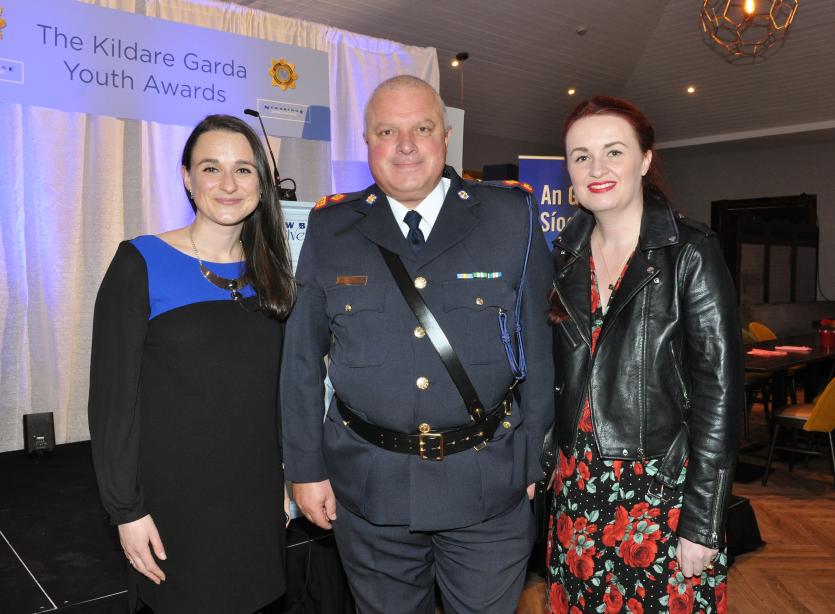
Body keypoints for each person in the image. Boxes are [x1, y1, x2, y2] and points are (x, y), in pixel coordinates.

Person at [281, 75, 554, 613]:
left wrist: (533, 460)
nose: (405, 146)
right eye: (387, 130)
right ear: (367, 142)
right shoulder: (331, 228)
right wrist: (305, 469)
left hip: (487, 484)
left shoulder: (509, 216)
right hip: (370, 487)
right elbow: (301, 361)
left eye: (421, 128)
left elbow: (539, 351)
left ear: (445, 135)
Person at [88, 114, 295, 613]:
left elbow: (284, 390)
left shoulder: (274, 273)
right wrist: (125, 511)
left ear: (262, 183)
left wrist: (292, 475)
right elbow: (113, 403)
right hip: (172, 506)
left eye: (244, 170)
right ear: (186, 177)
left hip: (255, 499)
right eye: (211, 168)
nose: (228, 184)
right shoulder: (140, 261)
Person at [546, 96, 742, 613]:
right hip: (578, 490)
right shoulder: (562, 258)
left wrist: (703, 520)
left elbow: (720, 398)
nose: (597, 168)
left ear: (645, 160)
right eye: (581, 156)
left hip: (662, 495)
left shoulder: (691, 253)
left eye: (614, 151)